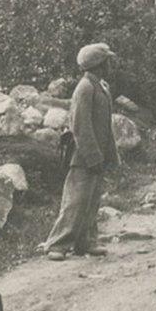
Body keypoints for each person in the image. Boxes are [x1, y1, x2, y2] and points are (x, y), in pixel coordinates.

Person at [43, 43, 120, 261]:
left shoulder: (100, 86)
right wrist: (93, 156)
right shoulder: (85, 87)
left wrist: (109, 155)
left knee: (92, 200)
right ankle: (57, 244)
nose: (110, 65)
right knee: (75, 201)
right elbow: (80, 126)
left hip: (97, 154)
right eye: (107, 62)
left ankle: (85, 242)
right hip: (83, 156)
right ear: (98, 65)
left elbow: (104, 125)